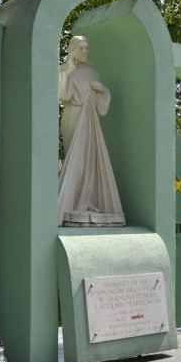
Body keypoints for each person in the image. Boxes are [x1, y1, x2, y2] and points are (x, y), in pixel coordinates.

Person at [57, 36, 125, 227]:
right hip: (73, 115)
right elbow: (64, 95)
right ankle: (72, 202)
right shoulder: (64, 70)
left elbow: (101, 108)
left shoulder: (93, 74)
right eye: (81, 48)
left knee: (90, 160)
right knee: (75, 159)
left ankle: (87, 201)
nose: (85, 51)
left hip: (91, 118)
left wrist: (104, 91)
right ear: (73, 50)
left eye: (87, 48)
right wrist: (69, 71)